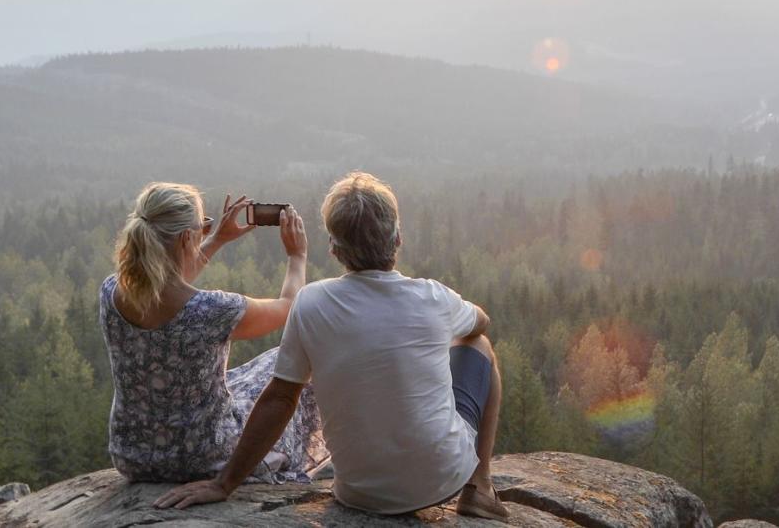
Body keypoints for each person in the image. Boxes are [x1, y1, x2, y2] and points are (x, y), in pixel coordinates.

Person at [155, 172, 509, 521]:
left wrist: (224, 484)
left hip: (359, 493)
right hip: (442, 481)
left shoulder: (312, 302)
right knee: (479, 345)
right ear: (397, 238)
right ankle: (479, 487)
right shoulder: (433, 297)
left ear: (334, 249)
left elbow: (280, 399)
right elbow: (480, 323)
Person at [100, 182, 328, 483]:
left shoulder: (111, 292)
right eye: (202, 227)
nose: (205, 230)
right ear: (186, 238)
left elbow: (163, 281)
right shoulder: (212, 310)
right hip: (203, 456)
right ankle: (285, 460)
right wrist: (297, 256)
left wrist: (217, 238)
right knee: (287, 363)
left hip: (133, 455)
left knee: (239, 380)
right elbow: (288, 307)